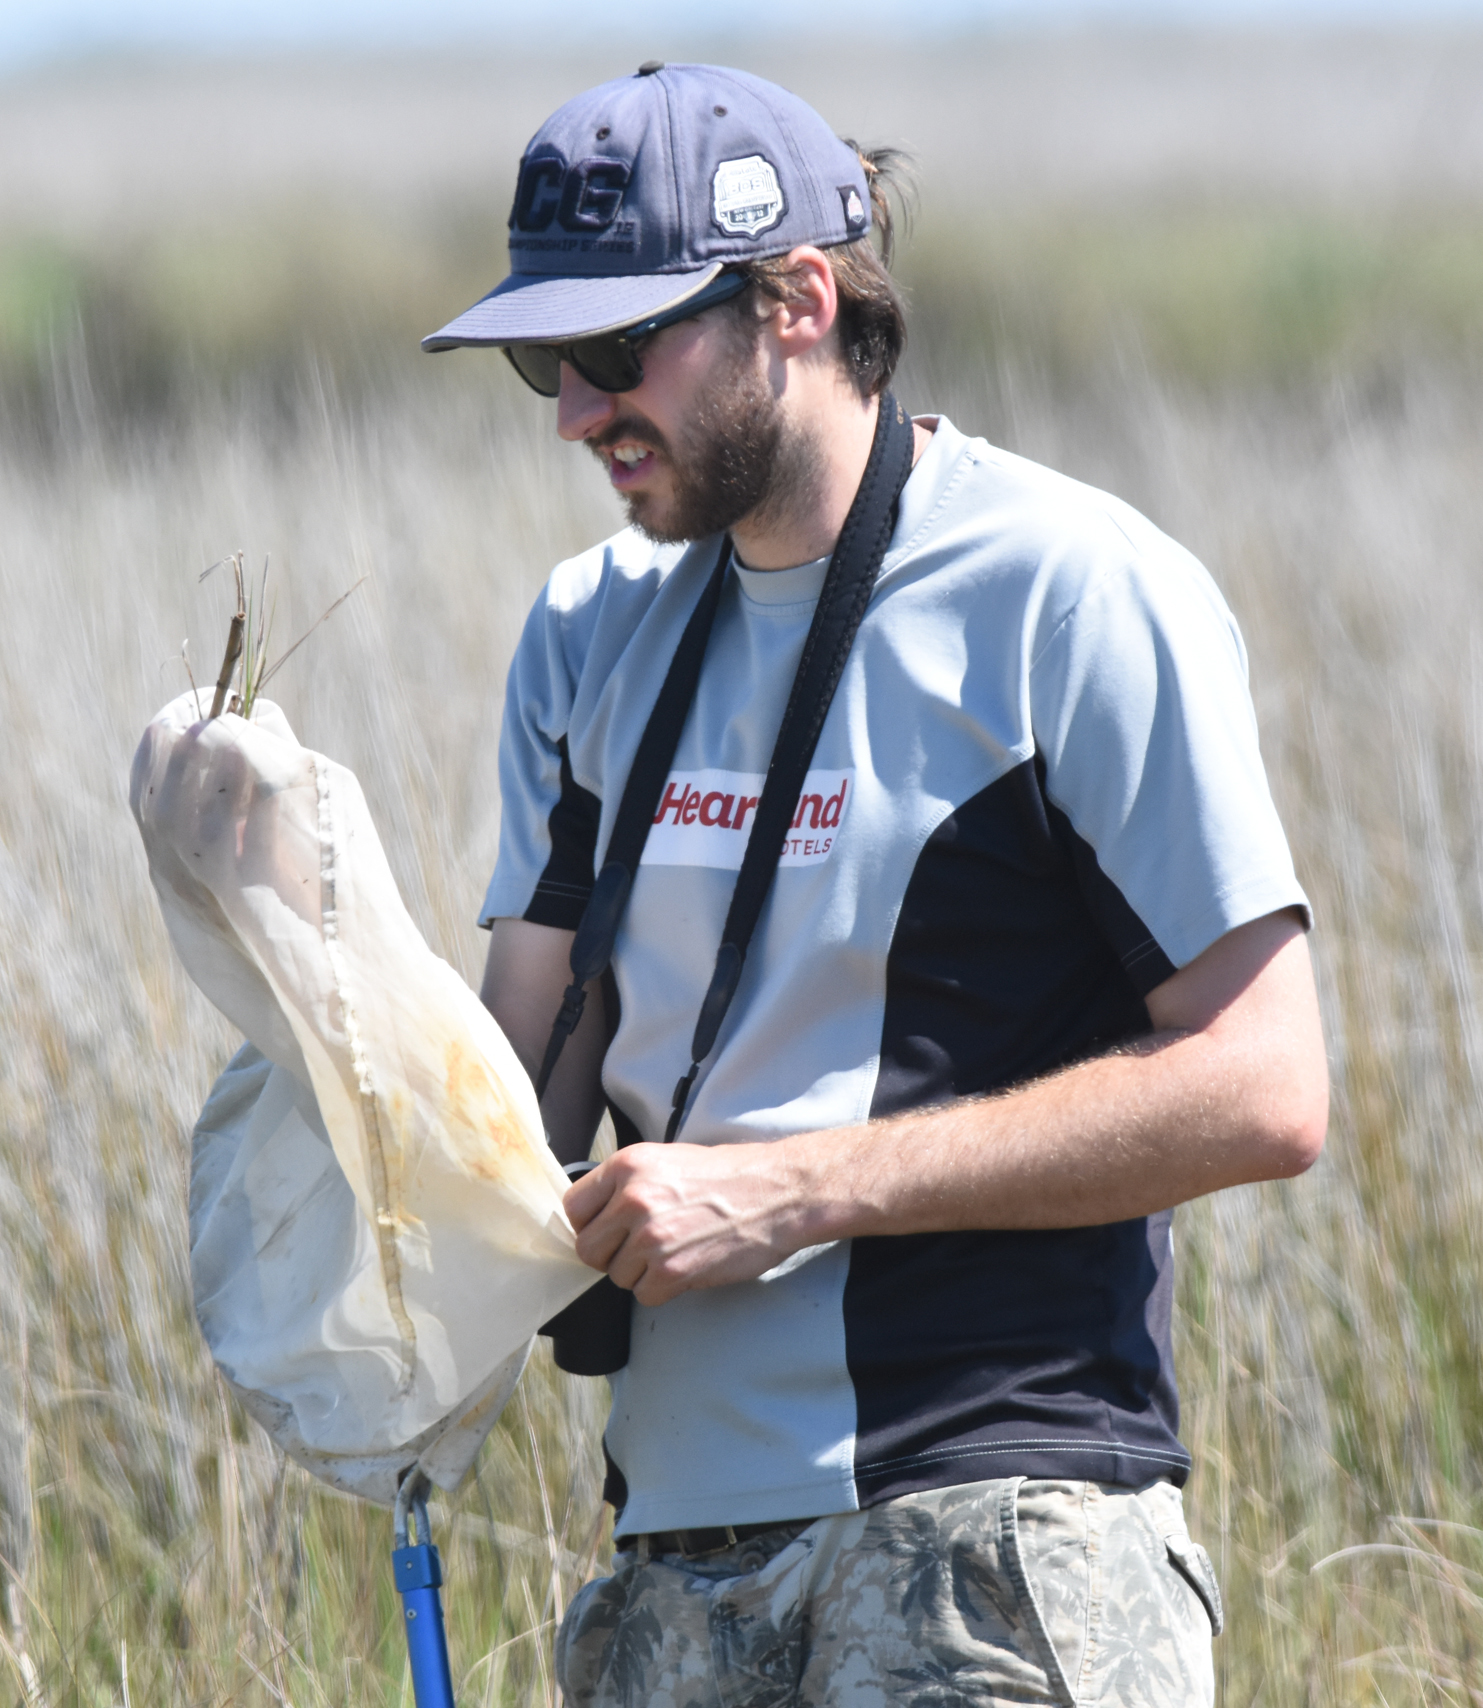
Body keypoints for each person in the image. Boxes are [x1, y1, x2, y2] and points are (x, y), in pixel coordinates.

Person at [423, 60, 1327, 1708]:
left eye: (617, 351)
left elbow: (1267, 1087)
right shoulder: (583, 633)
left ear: (800, 300)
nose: (571, 409)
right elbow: (507, 1114)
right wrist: (269, 897)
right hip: (669, 1562)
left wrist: (790, 1187)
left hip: (998, 1527)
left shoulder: (1069, 589)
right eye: (543, 362)